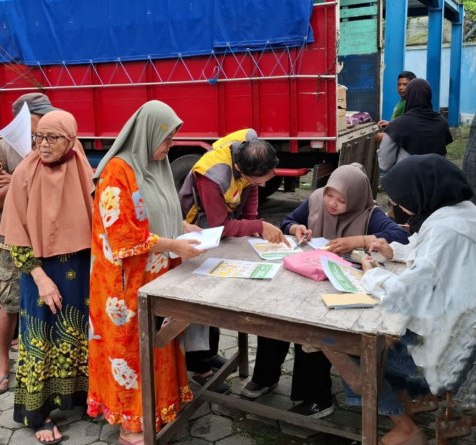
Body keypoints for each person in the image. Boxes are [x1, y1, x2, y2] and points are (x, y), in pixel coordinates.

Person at [241, 163, 409, 418]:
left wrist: (361, 241)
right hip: (306, 275)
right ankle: (265, 377)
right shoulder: (317, 199)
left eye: (341, 200)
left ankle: (316, 398)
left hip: (343, 287)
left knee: (312, 333)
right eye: (330, 194)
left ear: (355, 197)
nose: (332, 203)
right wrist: (295, 228)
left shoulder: (368, 213)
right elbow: (289, 220)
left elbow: (400, 237)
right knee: (273, 319)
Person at [87, 100, 205, 445]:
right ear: (148, 133)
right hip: (123, 288)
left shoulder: (157, 167)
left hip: (156, 276)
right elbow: (123, 234)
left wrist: (185, 227)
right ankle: (132, 424)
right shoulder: (116, 172)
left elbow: (158, 210)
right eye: (167, 139)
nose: (171, 146)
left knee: (161, 344)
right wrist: (175, 245)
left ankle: (159, 407)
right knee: (132, 353)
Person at [350, 154, 476, 445]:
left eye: (401, 199)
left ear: (421, 193)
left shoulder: (446, 230)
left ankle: (403, 425)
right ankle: (420, 399)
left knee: (353, 344)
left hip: (455, 341)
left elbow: (404, 292)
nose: (399, 208)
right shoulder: (460, 211)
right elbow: (432, 256)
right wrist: (397, 252)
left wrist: (371, 273)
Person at [0, 110, 94, 445]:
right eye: (40, 137)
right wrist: (41, 278)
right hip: (39, 269)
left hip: (79, 268)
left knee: (77, 334)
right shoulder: (27, 171)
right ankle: (38, 414)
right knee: (40, 340)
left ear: (70, 140)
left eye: (53, 138)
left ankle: (76, 399)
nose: (43, 145)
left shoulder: (80, 165)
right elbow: (16, 234)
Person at [178, 129, 286, 389]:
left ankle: (210, 352)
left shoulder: (250, 148)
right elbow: (219, 225)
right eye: (258, 179)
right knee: (199, 300)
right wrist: (257, 224)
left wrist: (253, 222)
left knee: (215, 297)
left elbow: (251, 192)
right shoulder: (211, 175)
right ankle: (199, 367)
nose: (262, 184)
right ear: (239, 168)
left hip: (218, 228)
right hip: (196, 233)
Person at [0, 92, 56, 395]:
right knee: (10, 302)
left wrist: (19, 180)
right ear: (24, 119)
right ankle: (2, 362)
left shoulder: (59, 143)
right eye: (39, 117)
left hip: (51, 237)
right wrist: (21, 180)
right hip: (13, 238)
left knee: (54, 299)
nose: (45, 124)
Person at [378, 78, 452, 223]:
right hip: (436, 191)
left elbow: (385, 163)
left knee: (405, 236)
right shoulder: (441, 122)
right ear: (428, 95)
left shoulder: (398, 125)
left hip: (407, 193)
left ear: (410, 95)